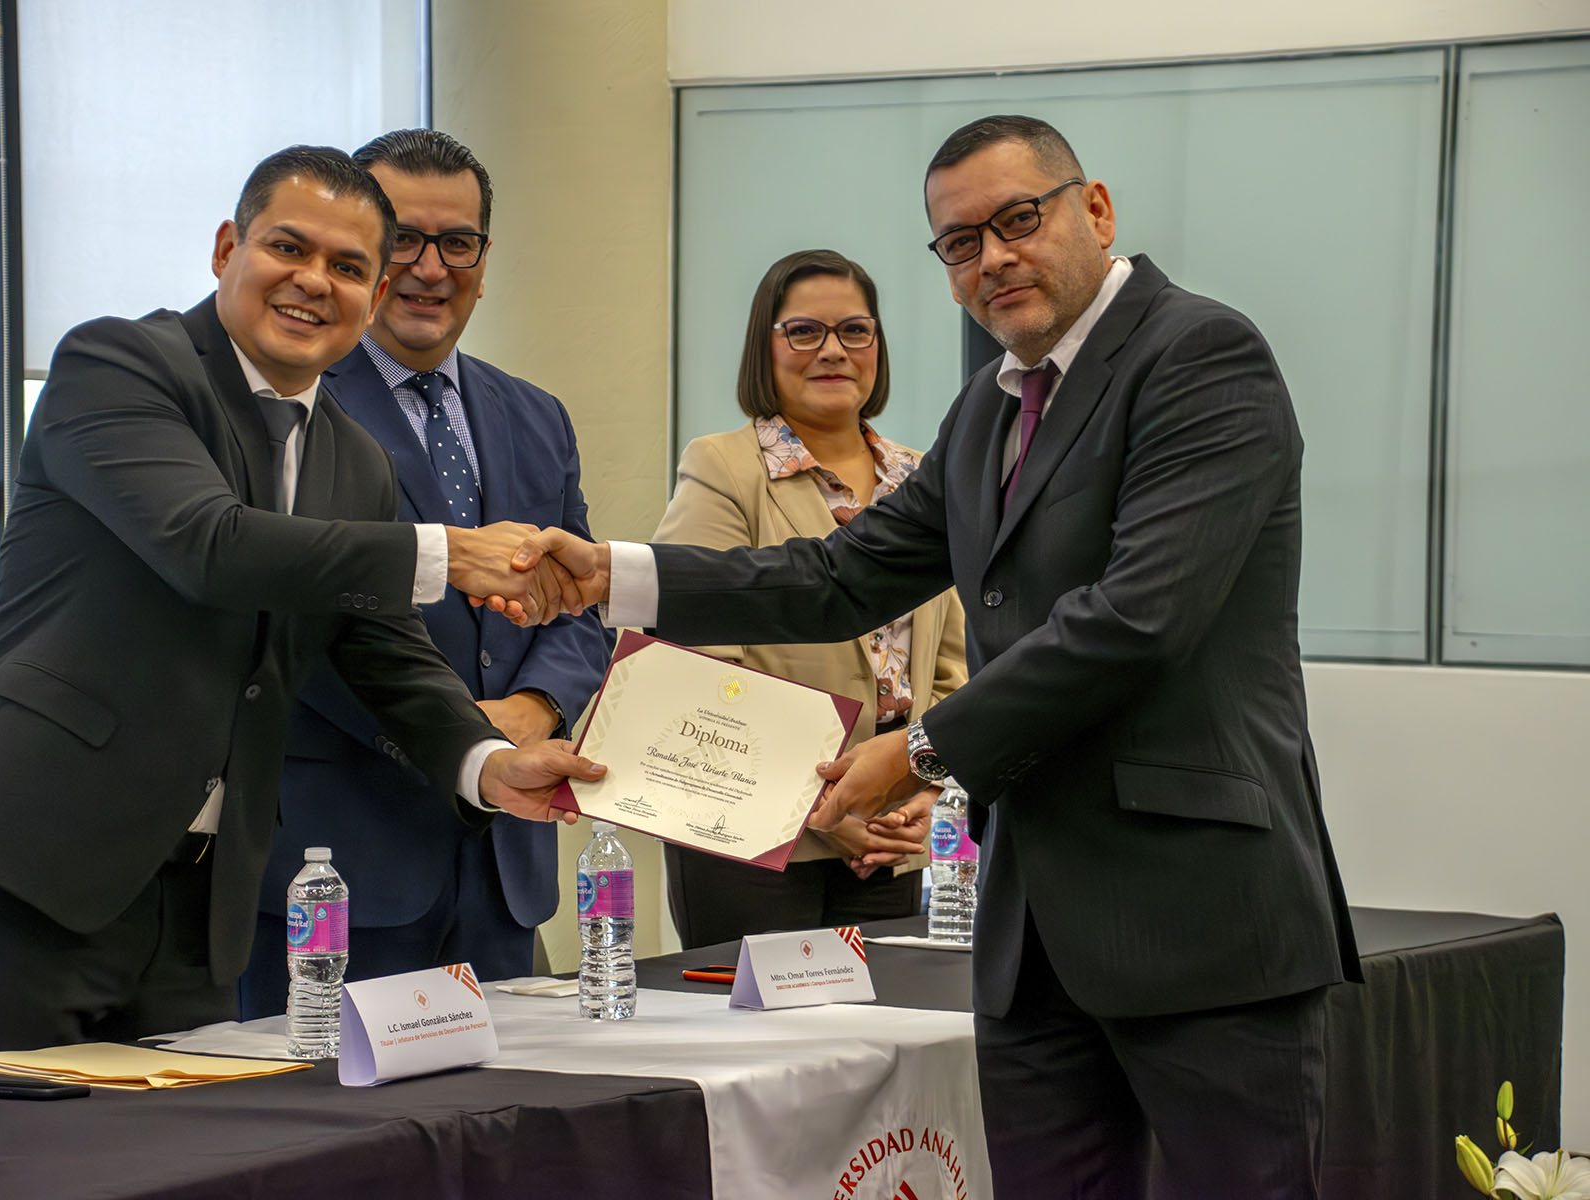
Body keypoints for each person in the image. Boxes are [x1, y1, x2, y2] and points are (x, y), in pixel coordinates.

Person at [507, 115, 1359, 1199]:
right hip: (1029, 938)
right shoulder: (990, 409)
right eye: (959, 242)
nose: (991, 258)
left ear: (1093, 210)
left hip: (1197, 919)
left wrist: (922, 750)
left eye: (1018, 220)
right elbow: (837, 576)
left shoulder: (1200, 355)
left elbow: (1136, 619)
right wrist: (614, 576)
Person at [0, 145, 603, 1050]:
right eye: (288, 249)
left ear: (374, 296)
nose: (314, 282)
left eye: (348, 268)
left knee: (204, 1169)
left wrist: (488, 764)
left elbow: (380, 651)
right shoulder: (118, 365)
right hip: (29, 865)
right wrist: (446, 555)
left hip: (206, 903)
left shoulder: (354, 457)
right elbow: (210, 545)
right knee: (14, 1169)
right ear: (227, 248)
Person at [240, 130, 609, 1013]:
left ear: (485, 259)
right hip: (336, 857)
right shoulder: (293, 404)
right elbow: (293, 606)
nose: (429, 268)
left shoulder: (536, 415)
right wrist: (455, 730)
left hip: (503, 859)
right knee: (327, 1135)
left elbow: (578, 605)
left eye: (458, 243)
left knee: (505, 1125)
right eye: (402, 239)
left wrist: (533, 711)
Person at [652, 248, 966, 948]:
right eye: (804, 332)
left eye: (855, 331)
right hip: (752, 831)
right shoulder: (723, 467)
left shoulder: (924, 479)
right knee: (766, 1046)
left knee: (888, 1043)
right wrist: (825, 806)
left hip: (891, 834)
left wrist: (925, 791)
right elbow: (697, 671)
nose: (833, 350)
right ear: (764, 346)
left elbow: (952, 670)